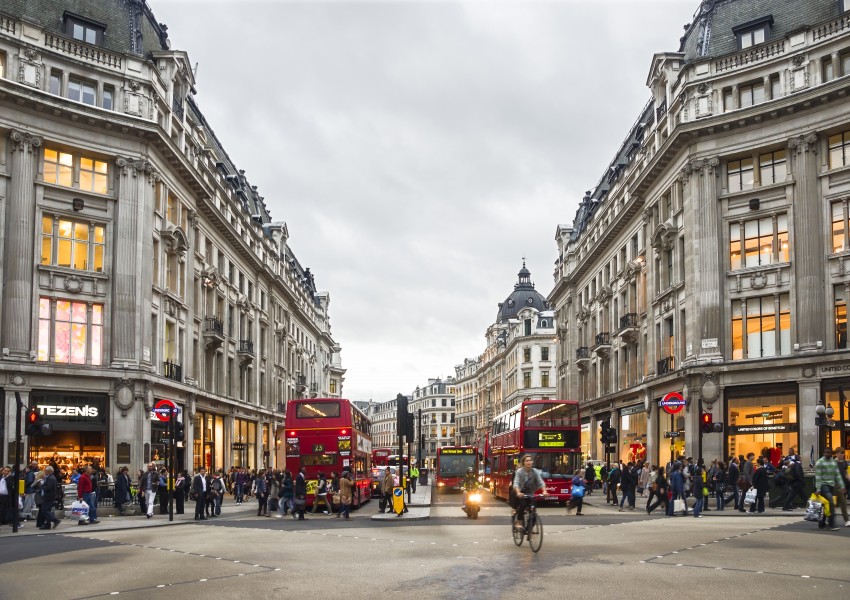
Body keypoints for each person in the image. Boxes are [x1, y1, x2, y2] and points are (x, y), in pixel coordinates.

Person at [814, 447, 846, 530]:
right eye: (826, 452)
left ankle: (822, 522)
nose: (827, 454)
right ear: (824, 453)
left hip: (831, 485)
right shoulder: (819, 463)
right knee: (831, 502)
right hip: (823, 485)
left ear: (832, 453)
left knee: (827, 505)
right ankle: (832, 524)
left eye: (829, 452)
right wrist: (818, 489)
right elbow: (818, 477)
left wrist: (842, 486)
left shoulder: (833, 462)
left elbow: (837, 475)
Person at [512, 454, 544, 529]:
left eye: (530, 460)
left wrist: (544, 491)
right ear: (523, 463)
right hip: (520, 493)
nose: (529, 462)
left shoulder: (535, 471)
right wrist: (518, 492)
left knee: (534, 514)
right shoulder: (519, 471)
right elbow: (516, 483)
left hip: (530, 494)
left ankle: (528, 529)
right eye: (527, 461)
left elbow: (541, 482)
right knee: (522, 505)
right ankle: (519, 521)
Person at [833, 447, 849, 526]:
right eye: (841, 453)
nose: (842, 455)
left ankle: (846, 520)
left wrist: (848, 477)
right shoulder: (833, 462)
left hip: (843, 485)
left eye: (843, 453)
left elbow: (845, 471)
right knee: (833, 503)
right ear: (837, 454)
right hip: (835, 485)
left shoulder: (844, 462)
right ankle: (825, 519)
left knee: (842, 502)